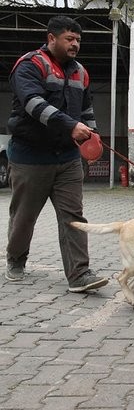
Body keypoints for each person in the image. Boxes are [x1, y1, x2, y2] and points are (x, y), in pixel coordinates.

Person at [5, 15, 108, 293]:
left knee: (73, 216)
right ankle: (16, 259)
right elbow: (33, 104)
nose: (75, 44)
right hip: (30, 157)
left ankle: (80, 274)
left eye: (78, 40)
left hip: (67, 159)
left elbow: (86, 111)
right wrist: (70, 125)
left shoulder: (80, 73)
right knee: (24, 216)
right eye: (69, 39)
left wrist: (93, 140)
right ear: (51, 38)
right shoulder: (30, 65)